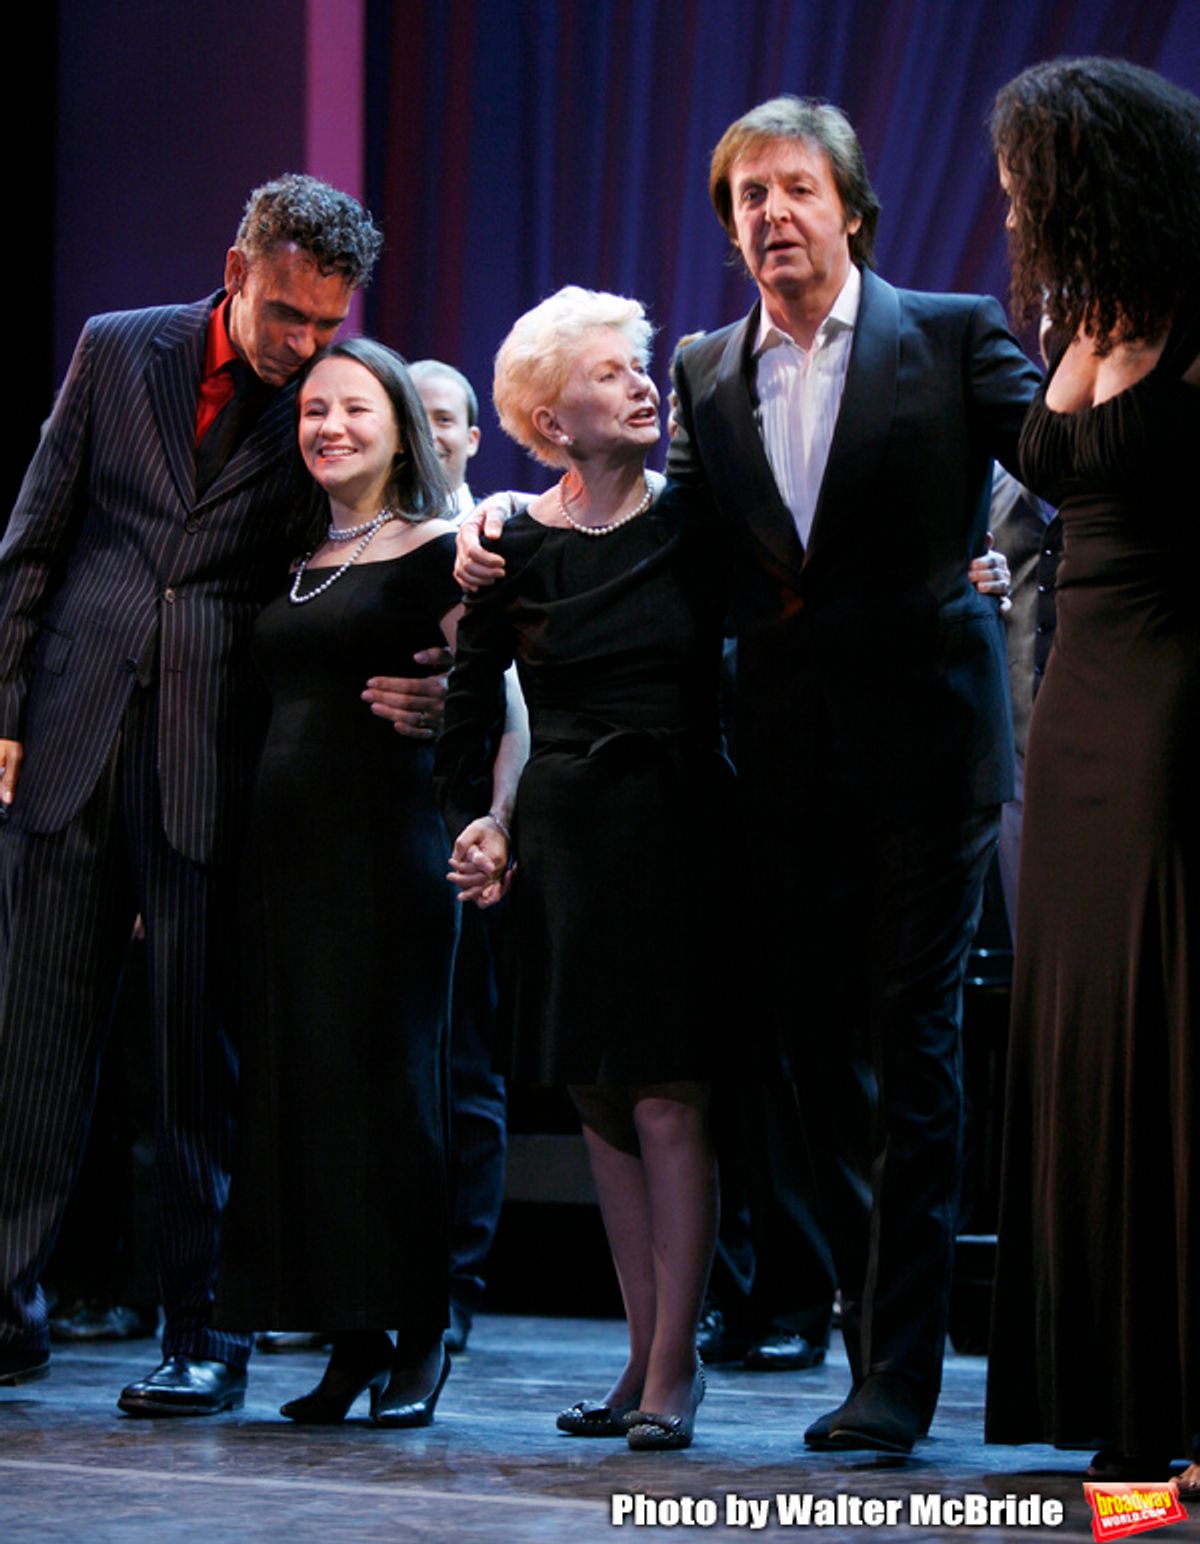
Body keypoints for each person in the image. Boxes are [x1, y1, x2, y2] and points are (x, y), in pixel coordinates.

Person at [460, 97, 1034, 1455]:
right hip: (777, 772)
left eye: (792, 188)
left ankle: (897, 1371)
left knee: (919, 1052)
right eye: (745, 198)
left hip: (929, 757)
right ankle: (863, 1326)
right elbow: (663, 549)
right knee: (812, 1069)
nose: (770, 212)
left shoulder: (948, 332)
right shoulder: (712, 372)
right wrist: (498, 534)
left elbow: (1054, 466)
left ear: (850, 209)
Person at [0, 174, 382, 1412]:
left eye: (327, 323)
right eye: (287, 316)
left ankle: (203, 1331)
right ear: (238, 269)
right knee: (31, 1046)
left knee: (191, 1069)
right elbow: (37, 538)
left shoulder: (325, 402)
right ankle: (8, 1308)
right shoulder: (120, 350)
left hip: (211, 758)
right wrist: (3, 712)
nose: (304, 345)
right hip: (68, 736)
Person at [436, 286, 736, 1451]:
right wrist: (478, 819)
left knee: (669, 1094)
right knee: (601, 1100)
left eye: (639, 365)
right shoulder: (510, 537)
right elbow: (472, 699)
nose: (642, 383)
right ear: (553, 417)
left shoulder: (694, 519)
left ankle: (676, 1368)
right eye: (611, 371)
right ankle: (636, 1353)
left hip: (675, 823)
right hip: (563, 830)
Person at [214, 338, 522, 1426]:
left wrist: (491, 820)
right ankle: (350, 1337)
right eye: (312, 413)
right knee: (310, 1095)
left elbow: (504, 706)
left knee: (396, 1092)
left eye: (352, 409)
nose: (329, 427)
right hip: (283, 864)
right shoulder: (294, 552)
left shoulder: (443, 547)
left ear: (398, 427)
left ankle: (421, 1332)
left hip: (389, 856)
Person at [985, 57, 1200, 1492]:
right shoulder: (1081, 312)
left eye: (1026, 169)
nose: (1007, 195)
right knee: (1080, 1029)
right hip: (1072, 696)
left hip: (1181, 688)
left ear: (1089, 174)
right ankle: (1125, 1409)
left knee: (1165, 1030)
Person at [411, 358, 507, 1356]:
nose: (433, 432)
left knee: (466, 1060)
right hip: (385, 827)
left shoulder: (497, 538)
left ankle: (459, 1277)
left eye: (448, 418)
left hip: (475, 822)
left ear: (475, 437)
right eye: (419, 416)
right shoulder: (373, 537)